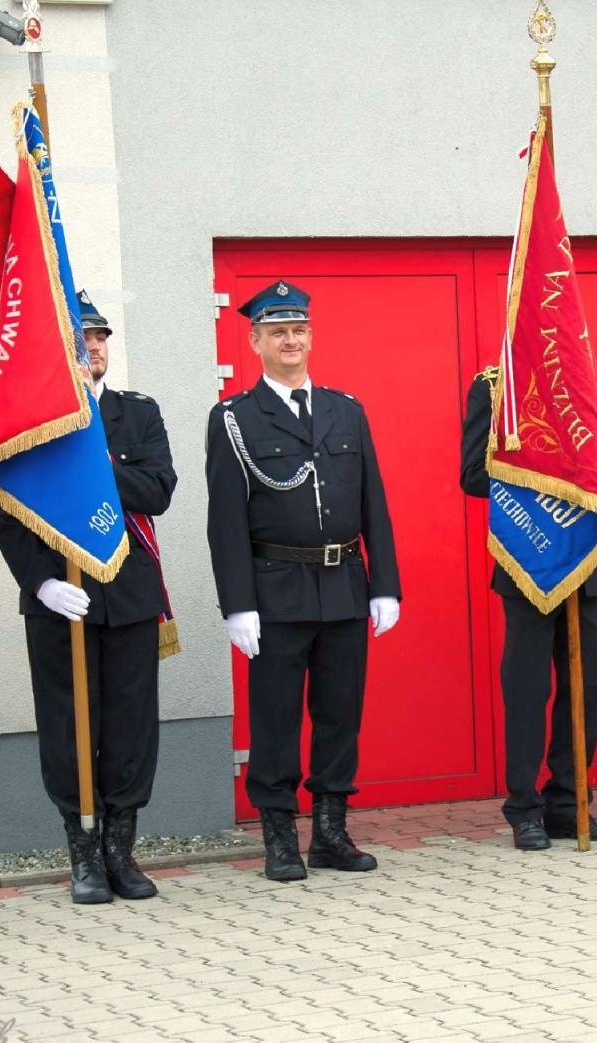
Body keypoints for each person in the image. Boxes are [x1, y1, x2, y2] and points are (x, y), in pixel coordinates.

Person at [204, 280, 400, 882]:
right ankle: (280, 836)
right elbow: (226, 520)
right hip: (276, 590)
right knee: (277, 718)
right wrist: (238, 604)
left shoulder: (346, 409)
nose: (291, 341)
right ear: (255, 341)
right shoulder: (234, 418)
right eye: (277, 332)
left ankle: (331, 831)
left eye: (299, 330)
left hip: (344, 585)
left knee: (340, 714)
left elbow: (374, 504)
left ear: (310, 336)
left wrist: (385, 584)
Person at [0, 291, 178, 904]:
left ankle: (122, 853)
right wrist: (38, 581)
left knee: (129, 725)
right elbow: (7, 507)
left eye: (99, 338)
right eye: (79, 338)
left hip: (127, 591)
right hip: (58, 594)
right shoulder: (28, 421)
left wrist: (88, 463)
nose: (91, 347)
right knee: (69, 724)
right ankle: (83, 853)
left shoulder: (136, 413)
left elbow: (158, 488)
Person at [460, 368, 597, 849]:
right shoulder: (494, 387)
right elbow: (472, 475)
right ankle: (524, 808)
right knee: (528, 689)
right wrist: (539, 467)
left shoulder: (579, 375)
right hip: (529, 557)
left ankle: (570, 803)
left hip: (588, 560)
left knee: (586, 688)